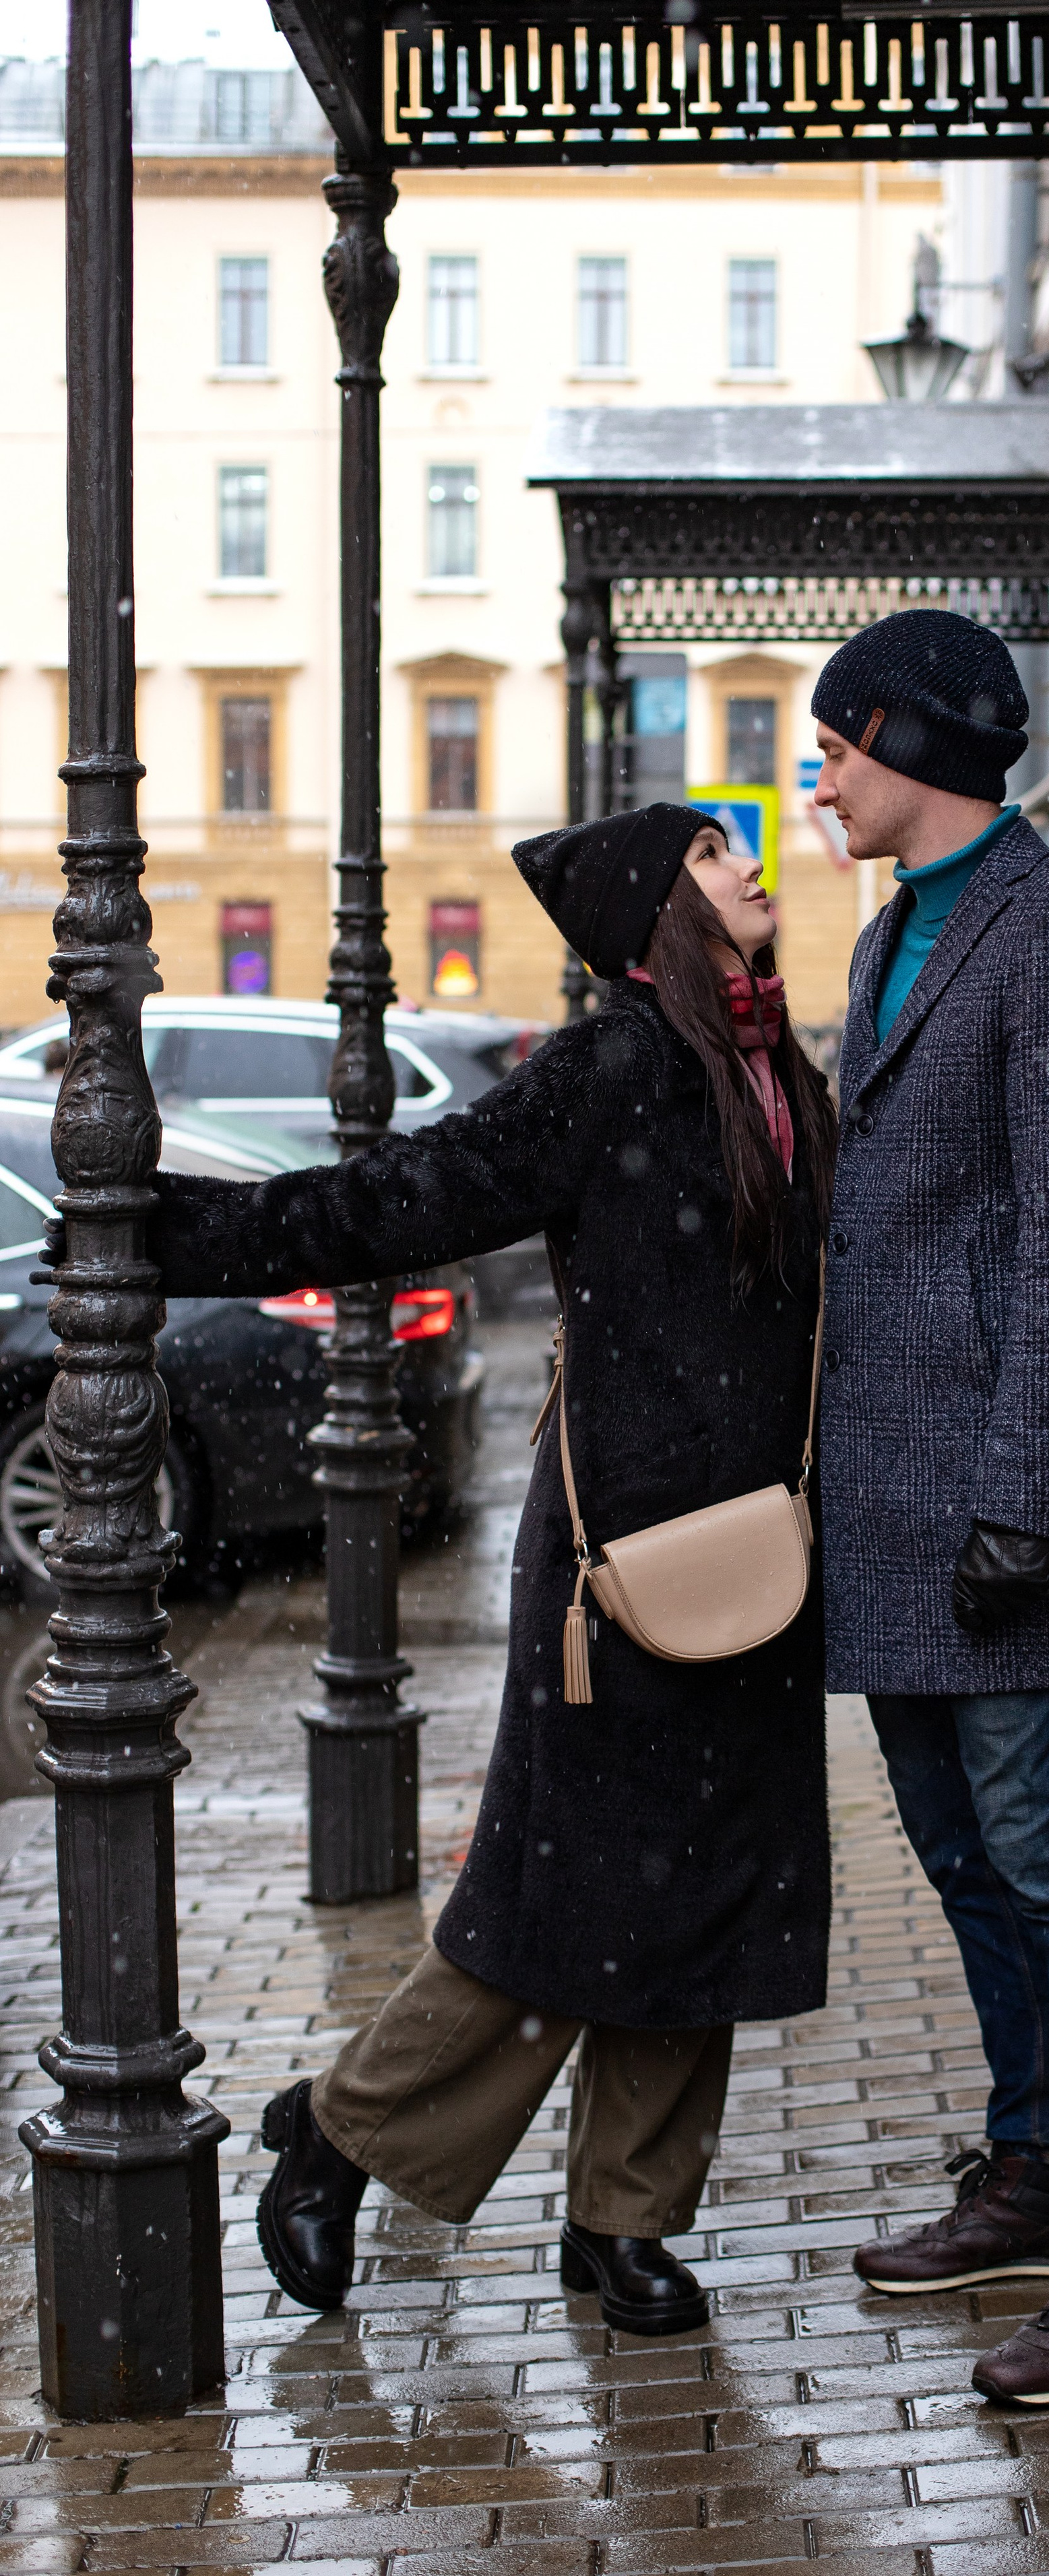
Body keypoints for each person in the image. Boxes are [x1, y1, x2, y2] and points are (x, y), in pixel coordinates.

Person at [137, 808, 835, 2333]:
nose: (752, 867)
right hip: (616, 1567)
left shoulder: (774, 1065)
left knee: (698, 1896)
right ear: (661, 906)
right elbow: (394, 1205)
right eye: (720, 856)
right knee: (560, 1900)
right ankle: (338, 2138)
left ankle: (625, 2221)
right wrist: (166, 1225)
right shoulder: (605, 1070)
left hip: (763, 1557)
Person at [810, 612, 1049, 2408]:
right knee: (968, 1863)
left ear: (915, 745)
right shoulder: (893, 931)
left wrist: (1025, 1492)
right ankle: (1033, 2164)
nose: (820, 773)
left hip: (987, 1500)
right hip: (881, 1499)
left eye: (838, 742)